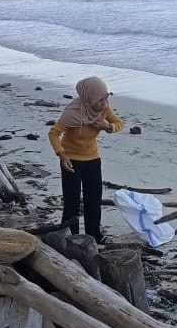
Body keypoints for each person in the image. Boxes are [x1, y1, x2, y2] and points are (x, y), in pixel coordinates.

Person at [48, 77, 123, 241]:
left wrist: (108, 127)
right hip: (71, 160)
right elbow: (54, 133)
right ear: (89, 98)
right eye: (100, 100)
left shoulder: (104, 109)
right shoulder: (72, 112)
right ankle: (70, 236)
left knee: (94, 199)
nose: (104, 104)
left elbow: (119, 123)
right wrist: (61, 154)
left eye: (106, 98)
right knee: (72, 201)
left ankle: (94, 234)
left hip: (93, 159)